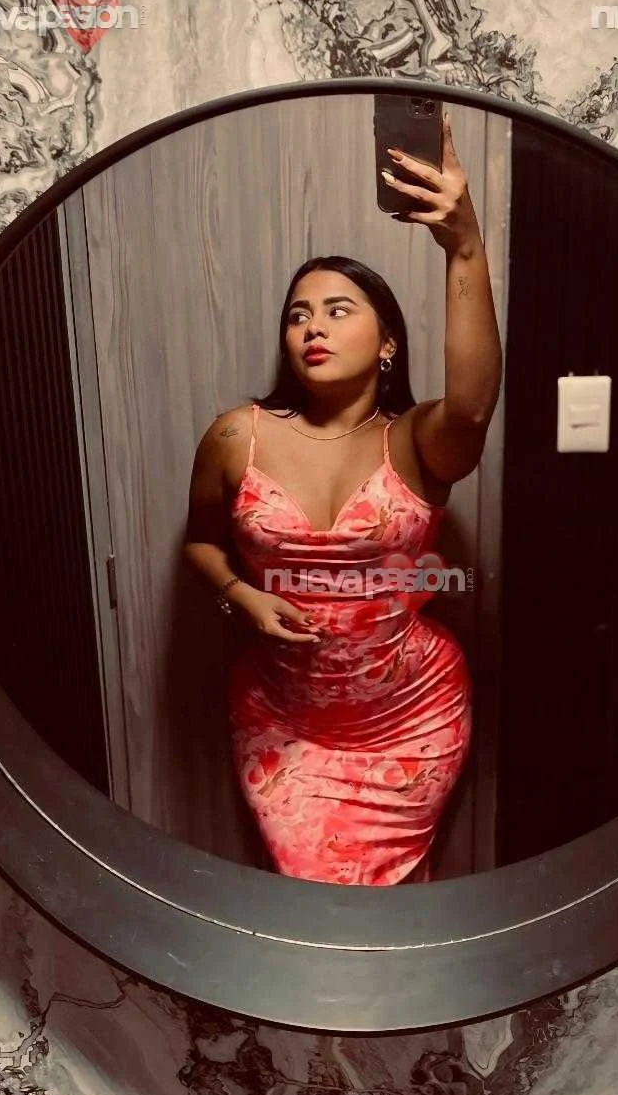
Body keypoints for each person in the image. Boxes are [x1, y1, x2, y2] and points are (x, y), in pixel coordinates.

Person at [183, 112, 502, 885]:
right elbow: (200, 542)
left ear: (387, 342)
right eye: (297, 315)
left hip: (411, 719)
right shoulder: (236, 436)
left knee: (394, 902)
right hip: (284, 723)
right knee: (313, 894)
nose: (311, 328)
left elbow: (471, 408)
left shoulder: (418, 442)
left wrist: (463, 245)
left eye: (337, 310)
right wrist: (240, 597)